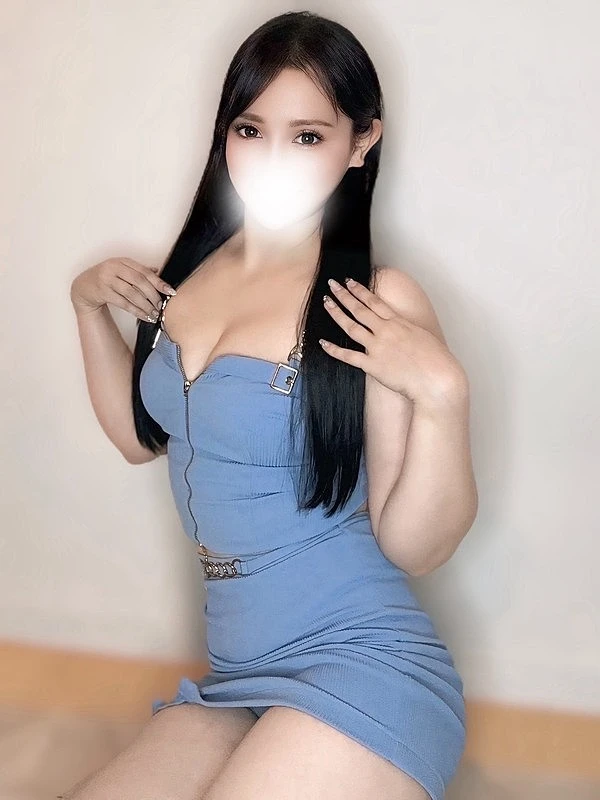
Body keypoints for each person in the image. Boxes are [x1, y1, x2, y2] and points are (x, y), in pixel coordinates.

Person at [66, 10, 477, 800]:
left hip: (364, 662)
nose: (272, 159)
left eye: (308, 136)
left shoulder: (371, 300)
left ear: (361, 142)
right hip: (236, 675)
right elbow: (138, 439)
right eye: (250, 130)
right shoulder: (188, 276)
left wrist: (445, 396)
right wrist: (87, 309)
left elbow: (416, 547)